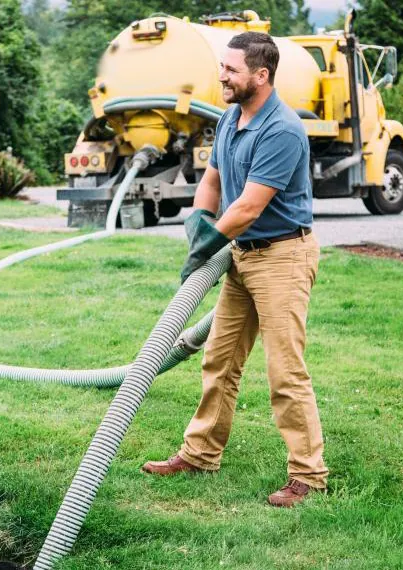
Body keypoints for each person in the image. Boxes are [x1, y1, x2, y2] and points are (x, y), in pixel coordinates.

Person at [141, 31, 327, 508]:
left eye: (231, 69)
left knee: (285, 371)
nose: (221, 76)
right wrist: (200, 222)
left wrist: (210, 241)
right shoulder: (229, 118)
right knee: (219, 359)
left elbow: (247, 206)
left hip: (283, 256)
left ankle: (308, 475)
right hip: (243, 255)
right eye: (222, 67)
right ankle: (200, 454)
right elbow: (214, 180)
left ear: (261, 75)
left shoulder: (282, 129)